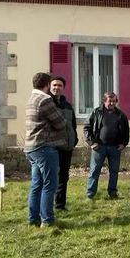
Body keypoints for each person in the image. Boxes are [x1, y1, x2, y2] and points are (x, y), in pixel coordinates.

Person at [24, 72, 66, 227]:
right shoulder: (45, 99)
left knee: (37, 184)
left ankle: (33, 219)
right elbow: (60, 123)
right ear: (47, 84)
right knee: (50, 185)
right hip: (44, 147)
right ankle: (47, 220)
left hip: (31, 147)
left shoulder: (31, 99)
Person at [84, 92, 130, 199]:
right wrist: (92, 143)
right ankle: (90, 194)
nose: (112, 103)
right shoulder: (96, 112)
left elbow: (126, 131)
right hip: (99, 147)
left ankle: (112, 192)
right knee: (95, 170)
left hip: (115, 148)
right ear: (104, 101)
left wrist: (123, 143)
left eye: (114, 101)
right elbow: (87, 127)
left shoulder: (121, 115)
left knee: (114, 171)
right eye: (110, 101)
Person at [50, 76, 78, 210]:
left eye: (59, 85)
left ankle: (60, 204)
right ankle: (48, 205)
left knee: (64, 176)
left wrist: (75, 139)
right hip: (52, 146)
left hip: (67, 146)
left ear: (63, 88)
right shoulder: (47, 103)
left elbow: (72, 124)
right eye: (54, 85)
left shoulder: (67, 105)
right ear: (50, 86)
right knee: (51, 176)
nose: (57, 88)